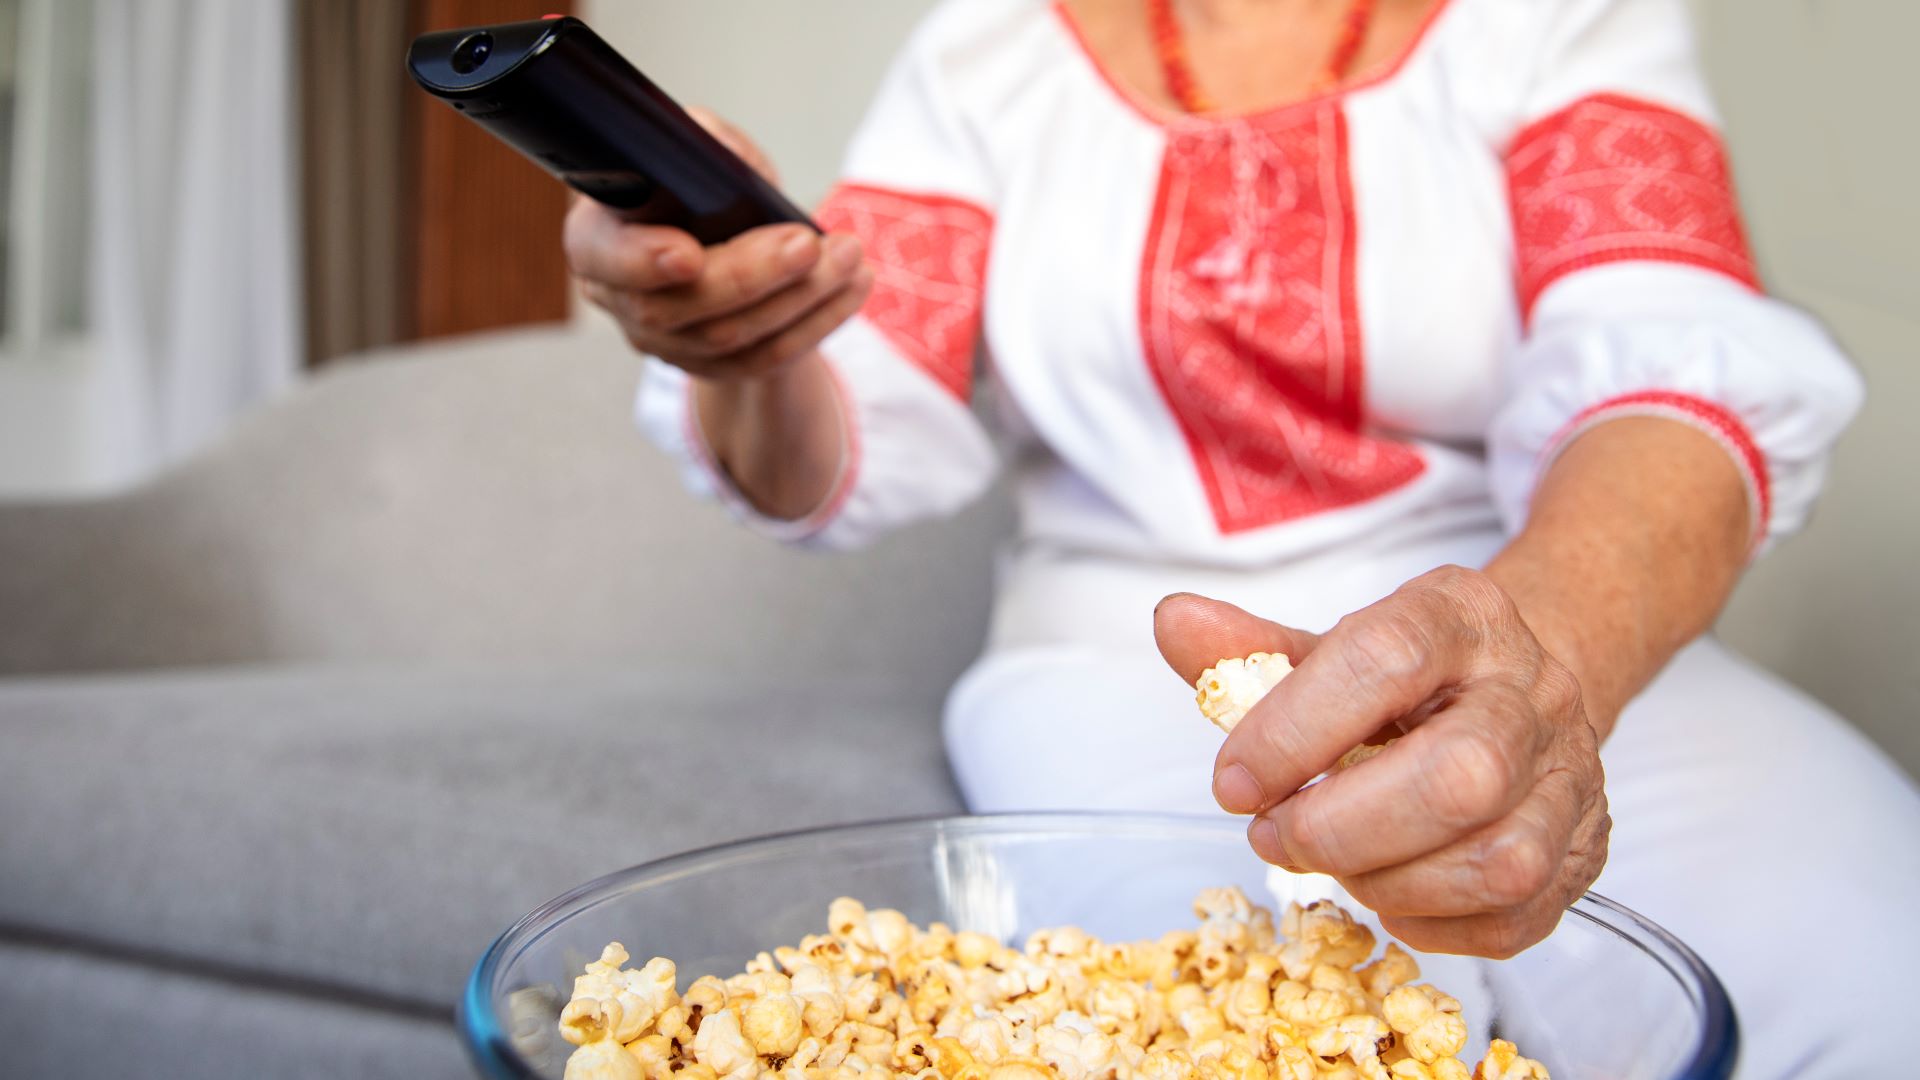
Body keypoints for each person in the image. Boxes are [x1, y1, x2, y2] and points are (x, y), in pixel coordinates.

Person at [565, 0, 1920, 1072]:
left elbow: (1670, 374)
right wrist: (742, 341)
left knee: (1870, 979)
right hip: (1124, 659)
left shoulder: (1552, 20)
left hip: (1529, 614)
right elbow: (841, 436)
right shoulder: (989, 58)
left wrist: (1540, 669)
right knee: (1219, 1024)